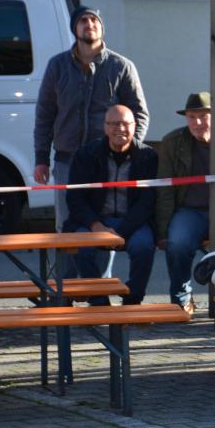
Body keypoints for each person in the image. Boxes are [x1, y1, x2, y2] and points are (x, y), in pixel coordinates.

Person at [35, 6, 148, 234]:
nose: (89, 24)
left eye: (94, 20)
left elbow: (139, 114)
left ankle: (101, 273)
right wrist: (41, 158)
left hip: (104, 162)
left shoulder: (121, 67)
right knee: (66, 229)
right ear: (75, 28)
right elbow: (45, 114)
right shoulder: (57, 66)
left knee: (104, 228)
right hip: (67, 160)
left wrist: (126, 150)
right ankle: (65, 273)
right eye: (83, 20)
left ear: (101, 27)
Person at [155, 92, 215, 315]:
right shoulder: (173, 143)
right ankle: (180, 298)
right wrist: (162, 230)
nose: (197, 123)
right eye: (191, 117)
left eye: (203, 116)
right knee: (177, 243)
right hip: (190, 209)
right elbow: (165, 189)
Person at [63, 105, 157, 306]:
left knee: (143, 247)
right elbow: (75, 198)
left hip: (131, 221)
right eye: (114, 123)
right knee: (82, 246)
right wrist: (97, 226)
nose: (120, 129)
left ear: (135, 126)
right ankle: (98, 300)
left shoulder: (148, 156)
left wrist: (121, 230)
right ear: (105, 127)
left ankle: (133, 298)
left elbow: (147, 201)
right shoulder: (85, 155)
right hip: (94, 220)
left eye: (125, 123)